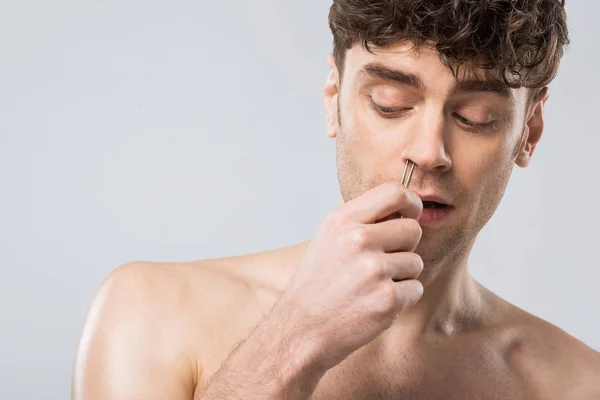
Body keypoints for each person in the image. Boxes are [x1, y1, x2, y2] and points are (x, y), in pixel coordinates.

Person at [72, 1, 600, 399]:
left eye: (476, 117)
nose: (430, 151)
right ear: (335, 102)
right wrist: (294, 338)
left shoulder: (576, 384)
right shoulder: (151, 313)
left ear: (529, 130)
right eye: (390, 104)